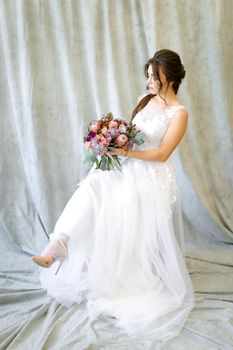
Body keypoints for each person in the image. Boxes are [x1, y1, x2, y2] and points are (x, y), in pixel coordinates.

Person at [32, 49, 195, 342]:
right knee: (93, 187)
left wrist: (125, 151)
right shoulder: (144, 101)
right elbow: (133, 133)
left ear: (169, 77)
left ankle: (97, 265)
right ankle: (60, 243)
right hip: (129, 167)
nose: (149, 82)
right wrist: (109, 139)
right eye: (147, 76)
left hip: (153, 178)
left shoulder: (179, 113)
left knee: (113, 200)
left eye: (154, 77)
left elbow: (161, 153)